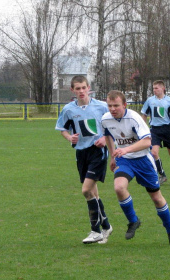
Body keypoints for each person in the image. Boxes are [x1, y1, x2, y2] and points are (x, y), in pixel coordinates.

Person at [101, 90, 170, 245]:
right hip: (125, 161)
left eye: (116, 105)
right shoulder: (105, 119)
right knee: (119, 188)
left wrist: (125, 149)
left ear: (124, 105)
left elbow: (147, 142)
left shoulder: (134, 118)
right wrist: (112, 156)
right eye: (109, 105)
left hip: (143, 161)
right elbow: (108, 135)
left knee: (156, 198)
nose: (112, 109)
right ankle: (133, 221)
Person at [55, 75, 113, 244]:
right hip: (81, 153)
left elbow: (114, 126)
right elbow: (62, 128)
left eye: (83, 88)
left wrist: (105, 138)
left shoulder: (102, 107)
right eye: (77, 88)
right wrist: (69, 137)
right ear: (72, 90)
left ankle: (95, 231)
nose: (81, 91)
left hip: (98, 152)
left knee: (86, 190)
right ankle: (106, 226)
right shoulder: (68, 109)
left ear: (89, 88)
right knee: (93, 192)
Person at [141, 80, 170, 185]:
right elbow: (144, 115)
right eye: (153, 88)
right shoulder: (150, 101)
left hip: (167, 129)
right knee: (154, 152)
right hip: (154, 130)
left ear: (163, 88)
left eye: (156, 88)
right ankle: (162, 175)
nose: (154, 90)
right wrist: (144, 129)